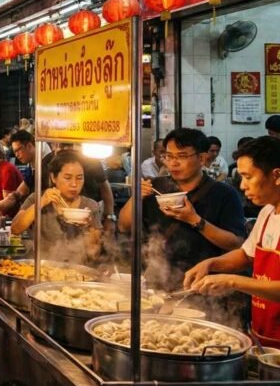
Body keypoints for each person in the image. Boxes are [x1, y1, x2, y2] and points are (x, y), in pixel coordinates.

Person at [119, 128, 247, 290]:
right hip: (155, 281)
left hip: (201, 285)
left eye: (182, 156)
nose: (173, 163)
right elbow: (123, 225)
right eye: (168, 156)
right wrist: (135, 198)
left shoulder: (224, 194)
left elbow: (236, 243)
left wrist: (194, 220)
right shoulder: (155, 187)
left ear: (202, 158)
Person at [184, 136, 280, 347]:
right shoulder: (267, 212)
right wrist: (211, 264)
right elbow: (246, 254)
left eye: (248, 177)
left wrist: (231, 281)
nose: (242, 185)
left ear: (277, 175)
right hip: (264, 337)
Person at [11, 151, 103, 262]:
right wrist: (41, 202)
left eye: (79, 178)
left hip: (76, 271)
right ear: (53, 178)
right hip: (43, 268)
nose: (74, 184)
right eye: (68, 178)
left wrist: (88, 228)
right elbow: (15, 229)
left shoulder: (90, 206)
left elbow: (94, 253)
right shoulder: (38, 198)